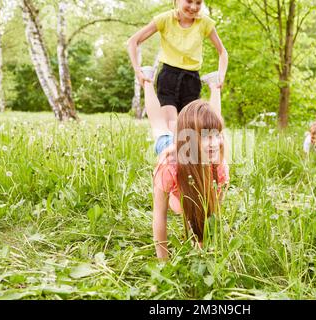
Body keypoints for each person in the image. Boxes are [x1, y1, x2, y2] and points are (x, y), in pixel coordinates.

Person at [141, 66, 229, 260]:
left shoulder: (218, 165)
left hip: (191, 151)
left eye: (217, 135)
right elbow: (159, 217)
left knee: (208, 122)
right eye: (207, 137)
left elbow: (212, 213)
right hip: (175, 150)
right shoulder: (169, 168)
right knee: (160, 126)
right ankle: (147, 81)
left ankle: (215, 85)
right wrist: (163, 261)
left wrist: (202, 243)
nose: (215, 142)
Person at [127, 0, 228, 134]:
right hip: (168, 77)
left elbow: (222, 51)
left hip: (192, 81)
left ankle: (189, 154)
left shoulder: (205, 23)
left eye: (198, 3)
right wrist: (138, 71)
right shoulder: (165, 19)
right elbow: (133, 42)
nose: (193, 7)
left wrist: (221, 75)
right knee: (172, 127)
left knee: (189, 131)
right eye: (189, 1)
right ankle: (169, 152)